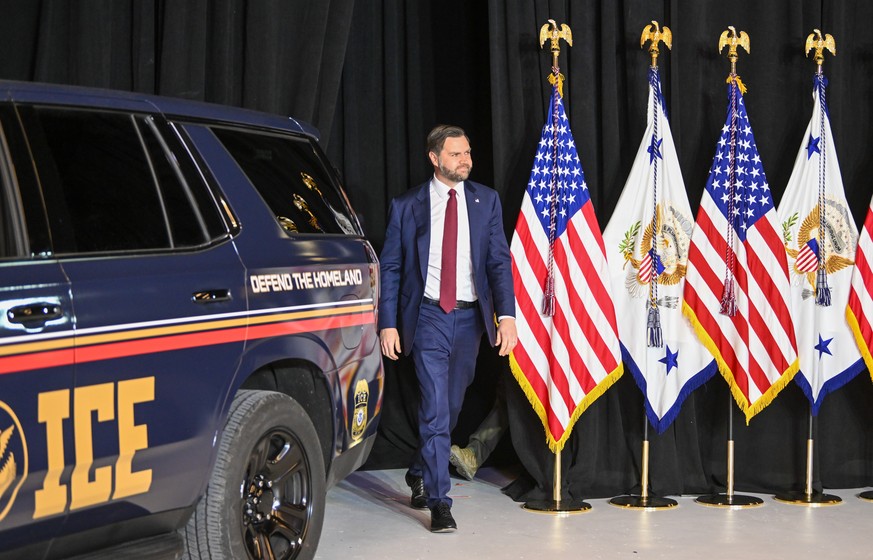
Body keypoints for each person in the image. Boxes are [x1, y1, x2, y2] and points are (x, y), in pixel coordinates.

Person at [379, 124, 517, 533]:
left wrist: (505, 315)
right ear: (435, 158)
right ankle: (440, 502)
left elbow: (498, 261)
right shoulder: (407, 206)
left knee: (451, 405)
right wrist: (388, 323)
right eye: (456, 154)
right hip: (426, 317)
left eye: (468, 153)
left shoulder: (485, 200)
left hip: (469, 318)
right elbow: (390, 267)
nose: (466, 160)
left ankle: (419, 469)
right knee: (436, 405)